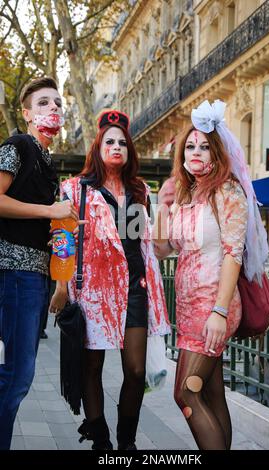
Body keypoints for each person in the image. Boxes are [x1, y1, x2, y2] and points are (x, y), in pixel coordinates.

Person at [49, 110, 170, 450]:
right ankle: (101, 440)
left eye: (122, 142)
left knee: (134, 370)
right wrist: (61, 287)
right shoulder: (75, 189)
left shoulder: (141, 190)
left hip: (135, 288)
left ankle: (126, 442)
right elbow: (62, 240)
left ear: (129, 150)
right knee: (92, 365)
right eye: (109, 141)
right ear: (98, 147)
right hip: (93, 291)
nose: (116, 146)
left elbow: (152, 244)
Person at [153, 99, 268, 450]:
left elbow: (234, 252)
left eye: (204, 145)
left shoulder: (228, 191)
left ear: (217, 152)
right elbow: (162, 249)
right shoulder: (187, 196)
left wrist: (219, 312)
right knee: (211, 393)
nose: (196, 151)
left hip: (213, 308)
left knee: (186, 393)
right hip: (188, 311)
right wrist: (161, 204)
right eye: (190, 146)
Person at [0, 77, 78, 450]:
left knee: (18, 377)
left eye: (58, 103)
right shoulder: (18, 145)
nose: (54, 109)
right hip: (14, 272)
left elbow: (30, 215)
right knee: (17, 376)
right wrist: (48, 210)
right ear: (27, 114)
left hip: (33, 275)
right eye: (44, 103)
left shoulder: (46, 161)